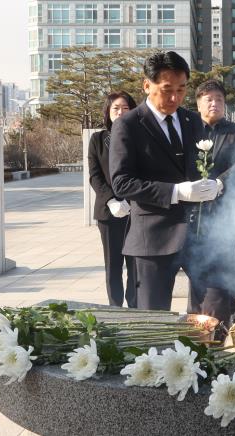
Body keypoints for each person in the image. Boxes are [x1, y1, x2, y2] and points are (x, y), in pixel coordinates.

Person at [110, 51, 221, 310]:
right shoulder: (128, 125)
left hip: (198, 234)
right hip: (153, 238)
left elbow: (202, 166)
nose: (175, 98)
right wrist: (177, 192)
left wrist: (213, 184)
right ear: (146, 85)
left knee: (214, 308)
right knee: (154, 318)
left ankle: (202, 349)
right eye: (167, 89)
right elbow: (122, 182)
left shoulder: (192, 120)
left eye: (182, 89)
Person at [186, 79, 235, 329]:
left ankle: (232, 311)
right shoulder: (189, 129)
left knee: (227, 257)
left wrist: (221, 183)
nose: (214, 103)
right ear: (198, 102)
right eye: (209, 99)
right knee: (196, 260)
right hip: (196, 209)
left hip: (228, 207)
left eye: (219, 99)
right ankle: (197, 313)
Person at [88, 91, 138, 307]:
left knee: (136, 265)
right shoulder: (98, 139)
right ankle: (115, 309)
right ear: (108, 113)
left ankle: (137, 309)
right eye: (115, 108)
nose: (120, 112)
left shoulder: (141, 137)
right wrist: (111, 200)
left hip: (135, 210)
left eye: (125, 108)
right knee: (113, 265)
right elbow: (95, 175)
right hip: (109, 213)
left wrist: (131, 199)